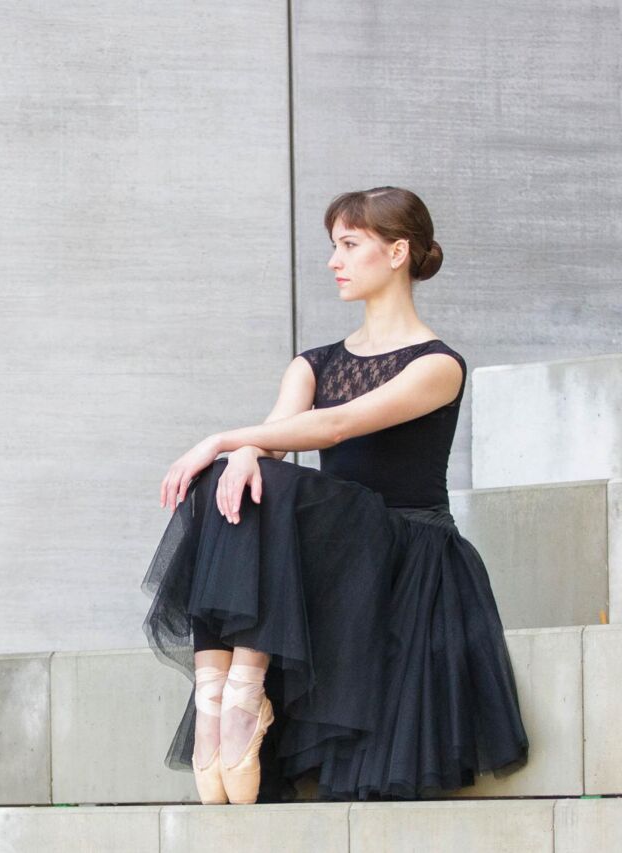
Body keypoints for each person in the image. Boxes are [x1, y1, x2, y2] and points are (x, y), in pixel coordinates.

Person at [140, 185, 529, 806]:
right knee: (231, 478)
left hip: (407, 545)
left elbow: (336, 426)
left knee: (249, 467)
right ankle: (218, 696)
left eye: (349, 245)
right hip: (336, 544)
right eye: (334, 246)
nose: (333, 261)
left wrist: (221, 438)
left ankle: (245, 693)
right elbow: (277, 437)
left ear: (397, 252)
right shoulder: (313, 364)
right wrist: (246, 452)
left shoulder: (437, 365)